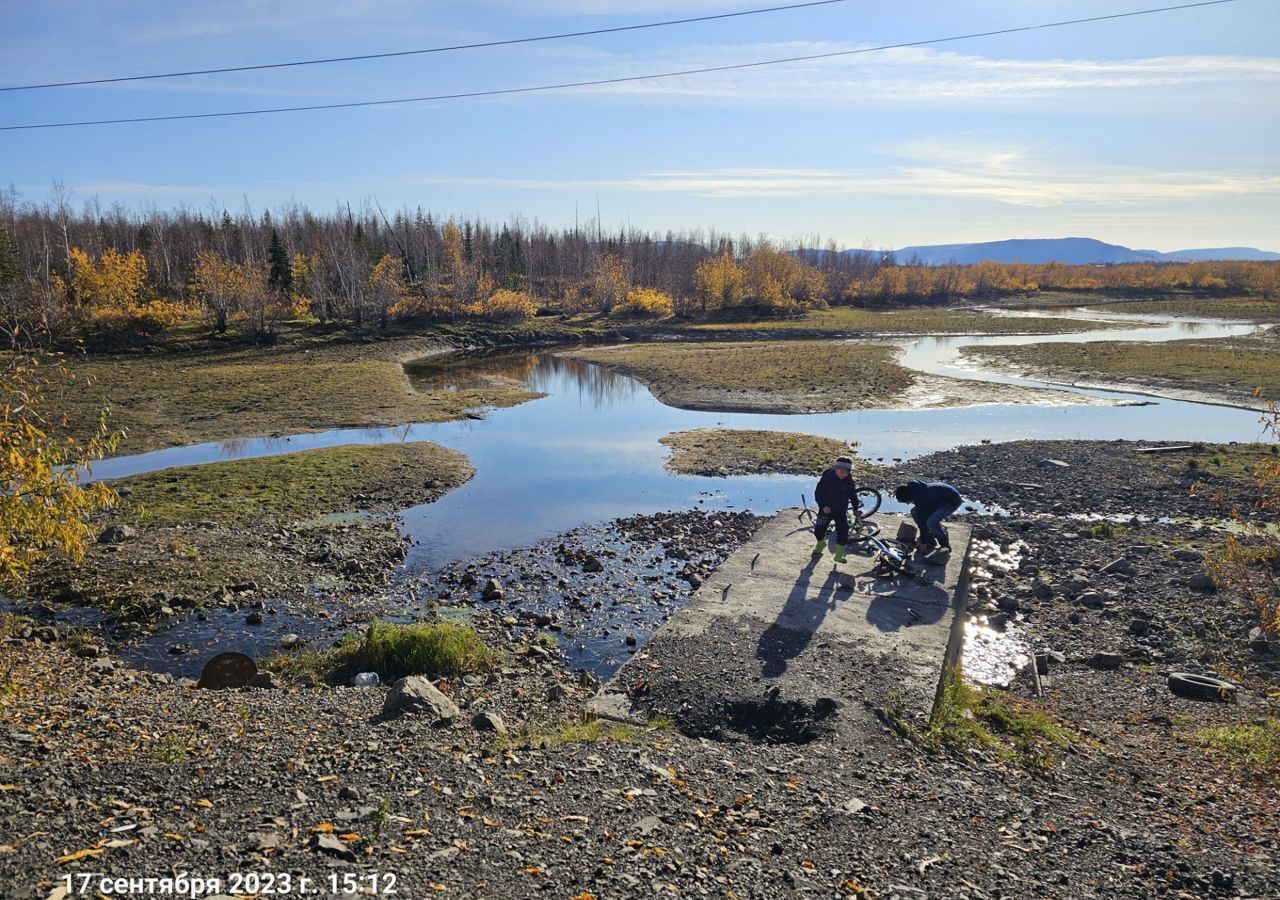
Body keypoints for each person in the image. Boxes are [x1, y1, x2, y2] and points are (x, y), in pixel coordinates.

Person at [894, 480, 963, 556]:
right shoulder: (914, 491)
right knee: (914, 512)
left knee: (931, 522)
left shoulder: (924, 498)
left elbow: (923, 520)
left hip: (952, 501)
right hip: (938, 500)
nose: (907, 504)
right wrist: (923, 538)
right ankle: (930, 540)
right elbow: (921, 519)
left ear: (909, 497)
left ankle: (945, 546)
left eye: (907, 502)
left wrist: (923, 542)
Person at [813, 456, 857, 563]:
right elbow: (818, 494)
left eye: (845, 471)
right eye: (840, 470)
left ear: (848, 471)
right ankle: (820, 543)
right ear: (835, 468)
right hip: (825, 510)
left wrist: (855, 508)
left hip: (840, 511)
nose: (842, 473)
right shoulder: (827, 479)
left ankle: (838, 555)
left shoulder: (849, 481)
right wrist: (823, 506)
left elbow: (853, 496)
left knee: (843, 532)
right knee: (819, 530)